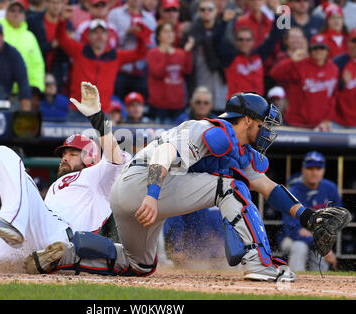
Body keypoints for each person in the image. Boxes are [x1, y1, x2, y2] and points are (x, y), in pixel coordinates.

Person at [23, 91, 350, 282]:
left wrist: (307, 216)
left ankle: (68, 252)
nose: (268, 129)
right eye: (265, 122)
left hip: (130, 196)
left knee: (140, 265)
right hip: (144, 185)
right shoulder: (206, 129)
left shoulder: (237, 147)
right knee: (230, 187)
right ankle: (260, 264)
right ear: (248, 120)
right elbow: (164, 153)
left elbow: (266, 185)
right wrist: (152, 196)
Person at [0, 82, 132, 273]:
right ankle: (6, 231)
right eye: (64, 154)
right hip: (31, 238)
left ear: (91, 157)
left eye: (73, 154)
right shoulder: (59, 183)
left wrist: (97, 116)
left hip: (60, 238)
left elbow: (115, 158)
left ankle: (11, 220)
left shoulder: (99, 177)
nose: (65, 158)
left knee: (2, 152)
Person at [56, 18, 148, 119]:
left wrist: (140, 35)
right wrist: (63, 20)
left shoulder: (115, 56)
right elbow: (61, 38)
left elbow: (141, 53)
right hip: (77, 111)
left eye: (102, 32)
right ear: (88, 36)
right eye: (95, 32)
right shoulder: (78, 51)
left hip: (102, 112)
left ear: (107, 36)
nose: (99, 36)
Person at [278, 151, 340, 272]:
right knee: (300, 247)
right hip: (290, 238)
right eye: (310, 168)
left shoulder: (330, 188)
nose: (314, 172)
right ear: (303, 170)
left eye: (318, 168)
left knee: (320, 254)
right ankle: (295, 283)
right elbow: (292, 228)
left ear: (323, 170)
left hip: (317, 238)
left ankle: (316, 288)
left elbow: (337, 219)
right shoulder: (293, 190)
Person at [270, 34, 339, 131]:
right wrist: (291, 61)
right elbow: (275, 73)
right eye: (315, 48)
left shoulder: (333, 69)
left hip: (319, 125)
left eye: (322, 48)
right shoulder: (300, 64)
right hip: (296, 123)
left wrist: (327, 119)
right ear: (310, 50)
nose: (318, 51)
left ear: (327, 51)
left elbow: (333, 97)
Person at [217, 8, 284, 99]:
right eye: (240, 39)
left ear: (253, 42)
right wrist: (223, 22)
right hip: (237, 106)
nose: (244, 42)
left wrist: (279, 12)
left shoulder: (258, 55)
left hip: (257, 105)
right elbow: (217, 40)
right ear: (236, 42)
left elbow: (275, 35)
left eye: (248, 40)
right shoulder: (230, 57)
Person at [107, 0, 157, 101]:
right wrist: (127, 33)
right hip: (121, 69)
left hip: (141, 70)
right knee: (116, 103)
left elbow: (153, 46)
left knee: (139, 107)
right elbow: (109, 42)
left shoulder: (150, 19)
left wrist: (144, 37)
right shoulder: (115, 14)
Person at [146, 22, 194, 123]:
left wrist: (187, 52)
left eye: (171, 31)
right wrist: (165, 54)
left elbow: (187, 70)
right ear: (158, 36)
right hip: (159, 105)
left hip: (178, 104)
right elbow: (157, 73)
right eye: (166, 31)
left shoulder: (180, 53)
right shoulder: (153, 53)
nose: (169, 34)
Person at [187, 0, 228, 114]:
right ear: (198, 12)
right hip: (200, 85)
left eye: (210, 9)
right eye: (202, 9)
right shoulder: (193, 32)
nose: (206, 12)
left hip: (220, 84)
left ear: (216, 11)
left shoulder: (224, 29)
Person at [0, 0, 45, 93]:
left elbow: (37, 64)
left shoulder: (30, 36)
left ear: (24, 15)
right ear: (6, 13)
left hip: (24, 91)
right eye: (12, 10)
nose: (16, 13)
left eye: (20, 11)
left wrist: (37, 87)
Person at [26, 0, 72, 92]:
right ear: (46, 3)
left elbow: (67, 55)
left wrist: (67, 43)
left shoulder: (67, 24)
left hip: (57, 71)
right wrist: (54, 44)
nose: (56, 6)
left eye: (59, 3)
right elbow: (31, 48)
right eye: (53, 3)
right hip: (36, 70)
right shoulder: (33, 21)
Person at [332, 28, 356, 129]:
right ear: (348, 43)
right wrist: (342, 83)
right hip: (338, 121)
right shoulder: (339, 62)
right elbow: (327, 89)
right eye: (354, 41)